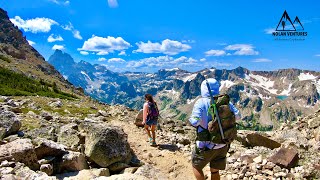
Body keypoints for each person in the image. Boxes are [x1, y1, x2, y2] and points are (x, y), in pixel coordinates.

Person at [189, 78, 241, 180]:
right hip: (223, 143)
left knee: (196, 166)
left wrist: (191, 119)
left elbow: (195, 122)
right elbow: (238, 116)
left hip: (205, 145)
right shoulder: (225, 102)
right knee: (215, 170)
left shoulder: (200, 102)